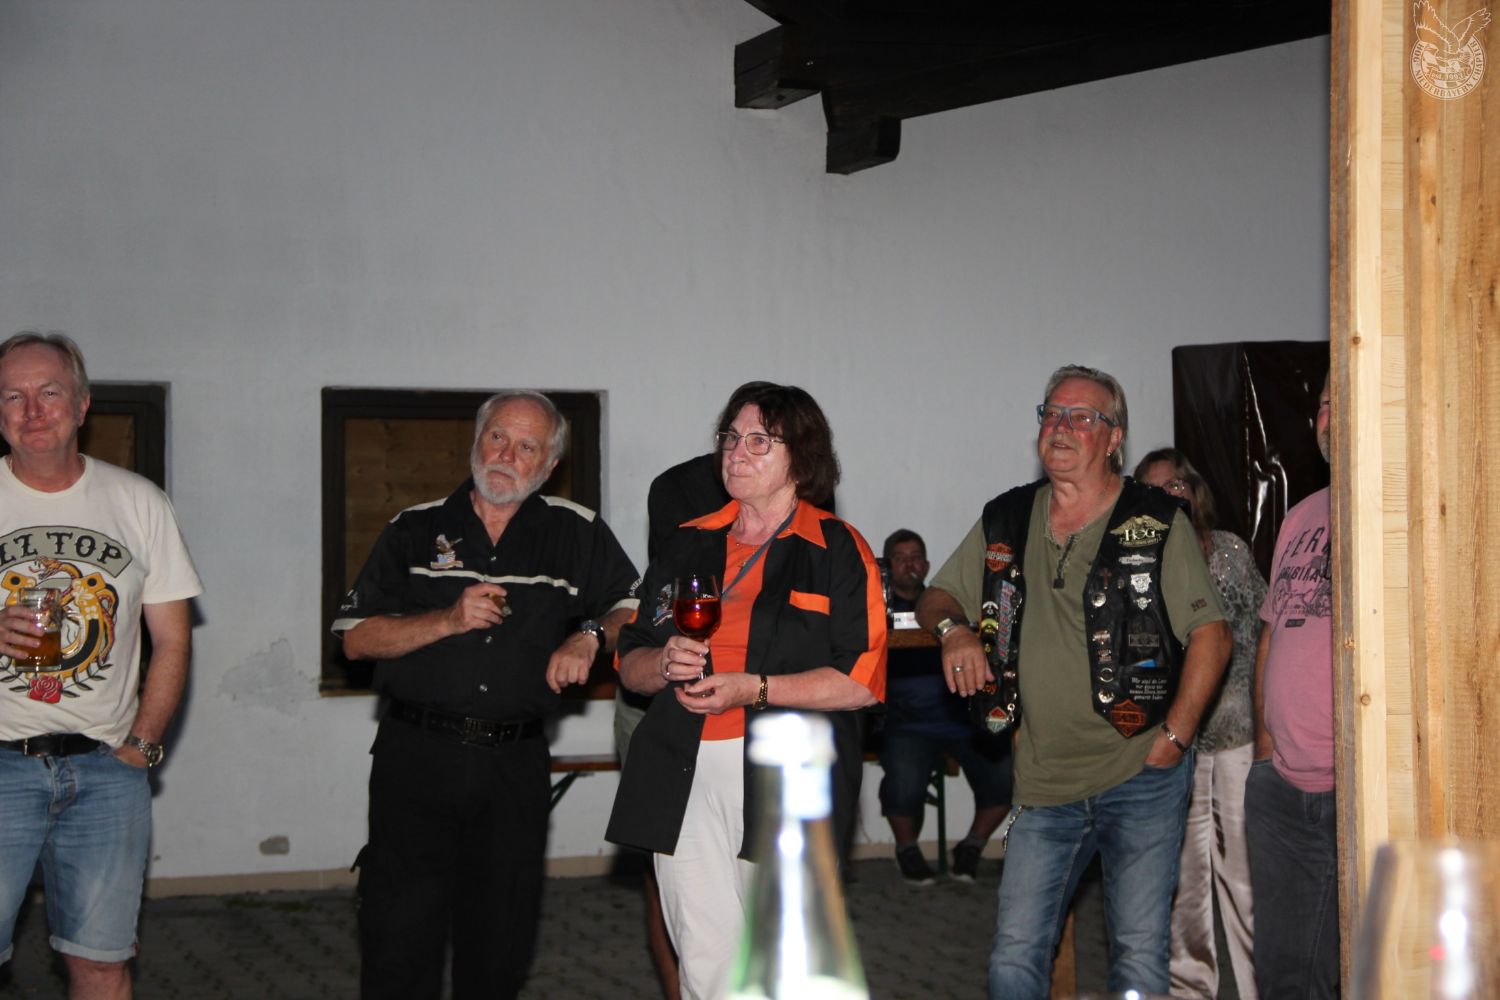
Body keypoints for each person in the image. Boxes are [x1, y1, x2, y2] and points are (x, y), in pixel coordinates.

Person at [917, 364, 1232, 1000]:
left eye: (1082, 417)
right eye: (1052, 414)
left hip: (1140, 772)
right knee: (1013, 957)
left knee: (1138, 956)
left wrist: (1175, 736)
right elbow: (937, 596)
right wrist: (954, 631)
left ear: (1114, 438)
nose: (1061, 427)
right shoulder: (1008, 517)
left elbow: (1212, 634)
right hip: (1044, 781)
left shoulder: (1156, 520)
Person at [334, 390, 640, 1000]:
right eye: (497, 437)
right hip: (416, 757)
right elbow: (355, 639)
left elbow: (634, 608)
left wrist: (586, 635)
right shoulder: (414, 527)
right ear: (477, 442)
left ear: (549, 465)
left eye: (527, 446)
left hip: (513, 765)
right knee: (397, 941)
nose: (507, 455)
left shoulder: (575, 530)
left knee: (500, 945)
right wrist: (446, 620)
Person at [605, 382, 886, 1000]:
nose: (737, 451)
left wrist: (752, 689)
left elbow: (860, 683)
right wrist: (663, 662)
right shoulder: (688, 541)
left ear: (801, 459)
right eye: (731, 437)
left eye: (760, 440)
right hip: (682, 768)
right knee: (705, 960)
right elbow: (630, 664)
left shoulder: (838, 548)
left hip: (787, 772)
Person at [0, 332, 203, 1000]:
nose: (33, 411)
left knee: (103, 964)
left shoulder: (138, 501)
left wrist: (143, 747)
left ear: (82, 404)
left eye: (49, 392)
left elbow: (173, 641)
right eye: (13, 396)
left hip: (104, 774)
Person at [1135, 447, 1266, 1000]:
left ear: (1193, 491)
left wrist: (1269, 727)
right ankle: (1188, 990)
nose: (1168, 495)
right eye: (1153, 488)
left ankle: (1261, 986)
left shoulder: (1230, 551)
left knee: (1245, 878)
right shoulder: (1136, 567)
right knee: (1184, 882)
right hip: (1176, 742)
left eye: (1176, 485)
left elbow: (1262, 635)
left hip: (1237, 737)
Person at [1246, 372, 1336, 999]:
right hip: (1280, 787)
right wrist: (1263, 750)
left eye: (1346, 399)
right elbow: (1271, 636)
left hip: (1350, 789)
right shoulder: (1302, 515)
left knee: (1345, 969)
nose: (1332, 414)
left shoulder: (1399, 511)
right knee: (1281, 973)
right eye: (1326, 402)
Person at [877, 528, 1012, 885]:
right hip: (906, 724)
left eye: (916, 557)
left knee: (1007, 774)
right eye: (900, 558)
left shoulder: (948, 606)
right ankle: (907, 849)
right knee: (903, 780)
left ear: (927, 565)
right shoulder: (877, 611)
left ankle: (971, 845)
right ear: (887, 566)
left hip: (962, 720)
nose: (910, 564)